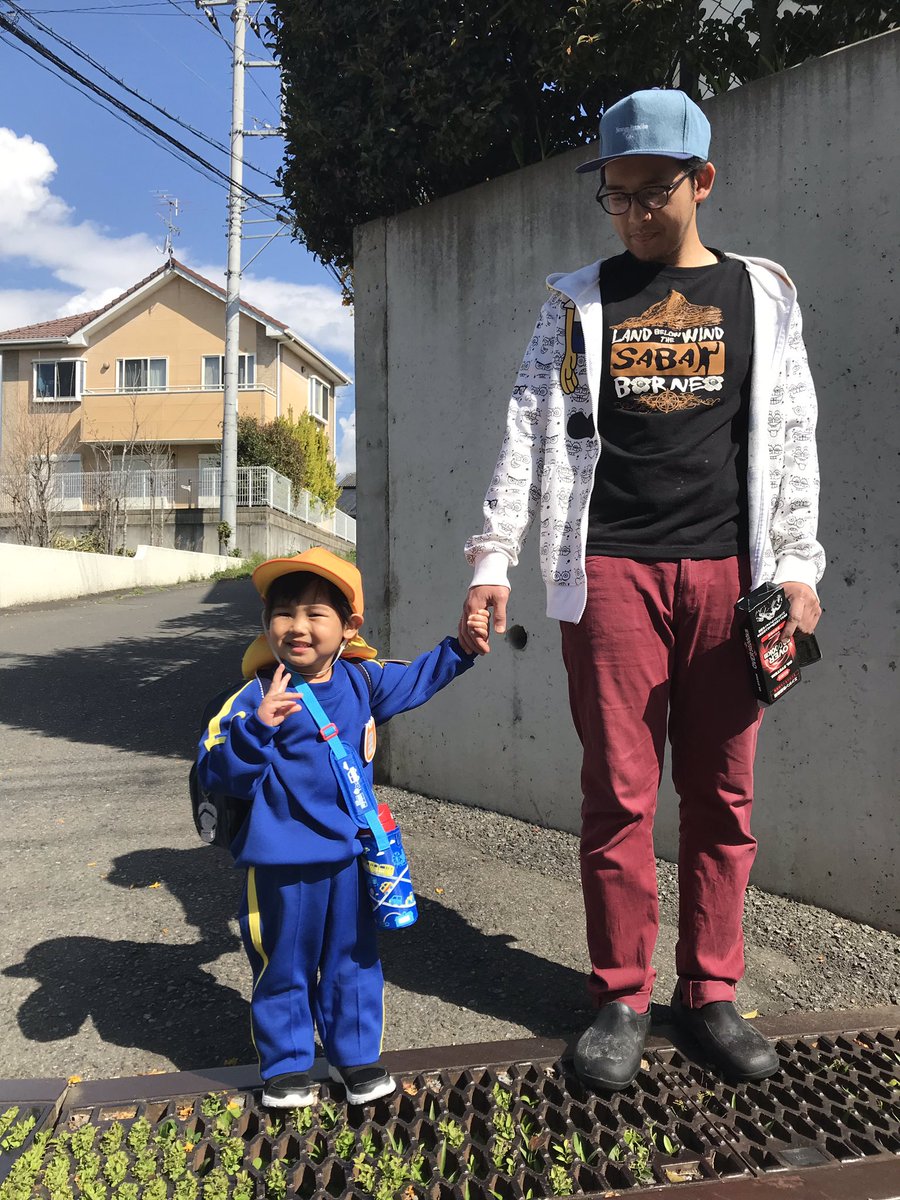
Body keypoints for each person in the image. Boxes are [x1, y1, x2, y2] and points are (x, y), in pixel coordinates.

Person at [458, 88, 824, 1090]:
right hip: (609, 568)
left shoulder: (762, 294)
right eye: (612, 196)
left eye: (648, 193)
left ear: (702, 181)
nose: (629, 213)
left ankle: (710, 993)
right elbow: (532, 425)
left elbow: (789, 434)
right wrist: (493, 558)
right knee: (617, 792)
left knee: (723, 792)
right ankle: (620, 992)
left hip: (729, 576)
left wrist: (797, 564)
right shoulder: (578, 302)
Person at [199, 546, 488, 1107]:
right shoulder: (254, 694)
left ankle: (355, 1059)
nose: (297, 626)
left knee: (354, 960)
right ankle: (286, 1067)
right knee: (281, 962)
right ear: (266, 624)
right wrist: (257, 729)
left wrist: (461, 649)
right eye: (283, 613)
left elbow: (417, 679)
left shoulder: (361, 681)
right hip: (279, 864)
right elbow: (217, 769)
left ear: (349, 625)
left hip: (348, 860)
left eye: (315, 613)